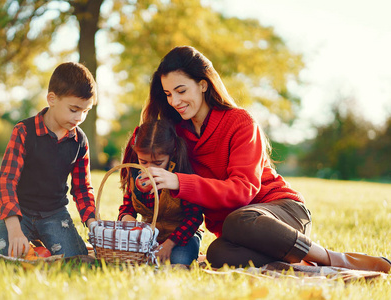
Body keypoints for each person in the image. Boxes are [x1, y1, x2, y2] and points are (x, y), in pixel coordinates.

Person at [138, 45, 391, 272]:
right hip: (239, 232)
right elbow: (142, 150)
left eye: (181, 90)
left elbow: (243, 190)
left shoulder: (240, 122)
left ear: (203, 84)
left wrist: (180, 182)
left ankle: (336, 259)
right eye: (169, 94)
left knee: (239, 220)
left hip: (281, 212)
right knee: (218, 254)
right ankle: (295, 257)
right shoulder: (176, 134)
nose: (175, 101)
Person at [0, 62, 97, 258]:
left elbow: (82, 188)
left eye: (86, 111)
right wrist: (14, 230)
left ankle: (44, 247)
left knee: (77, 259)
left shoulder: (80, 141)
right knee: (7, 257)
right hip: (19, 213)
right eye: (74, 109)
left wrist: (92, 222)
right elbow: (6, 182)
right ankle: (34, 244)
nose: (79, 118)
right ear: (52, 99)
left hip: (54, 214)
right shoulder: (24, 131)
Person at [118, 119, 204, 265]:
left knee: (178, 260)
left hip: (181, 236)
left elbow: (194, 217)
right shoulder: (134, 175)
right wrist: (127, 219)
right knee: (127, 259)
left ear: (171, 154)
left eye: (158, 163)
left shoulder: (182, 175)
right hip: (150, 236)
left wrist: (169, 244)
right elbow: (127, 207)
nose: (150, 169)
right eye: (143, 162)